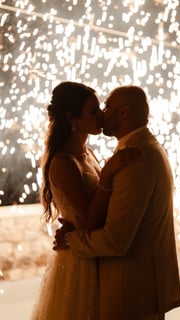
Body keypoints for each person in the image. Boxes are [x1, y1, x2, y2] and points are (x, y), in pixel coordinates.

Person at [55, 85, 180, 320]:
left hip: (130, 293)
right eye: (96, 110)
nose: (102, 114)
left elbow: (115, 240)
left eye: (106, 106)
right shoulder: (142, 150)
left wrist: (70, 239)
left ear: (123, 112)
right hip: (137, 289)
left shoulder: (134, 159)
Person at [31, 82, 141, 320]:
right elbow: (91, 219)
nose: (101, 115)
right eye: (93, 111)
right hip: (80, 264)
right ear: (73, 119)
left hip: (94, 252)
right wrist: (109, 172)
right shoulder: (63, 163)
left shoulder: (87, 153)